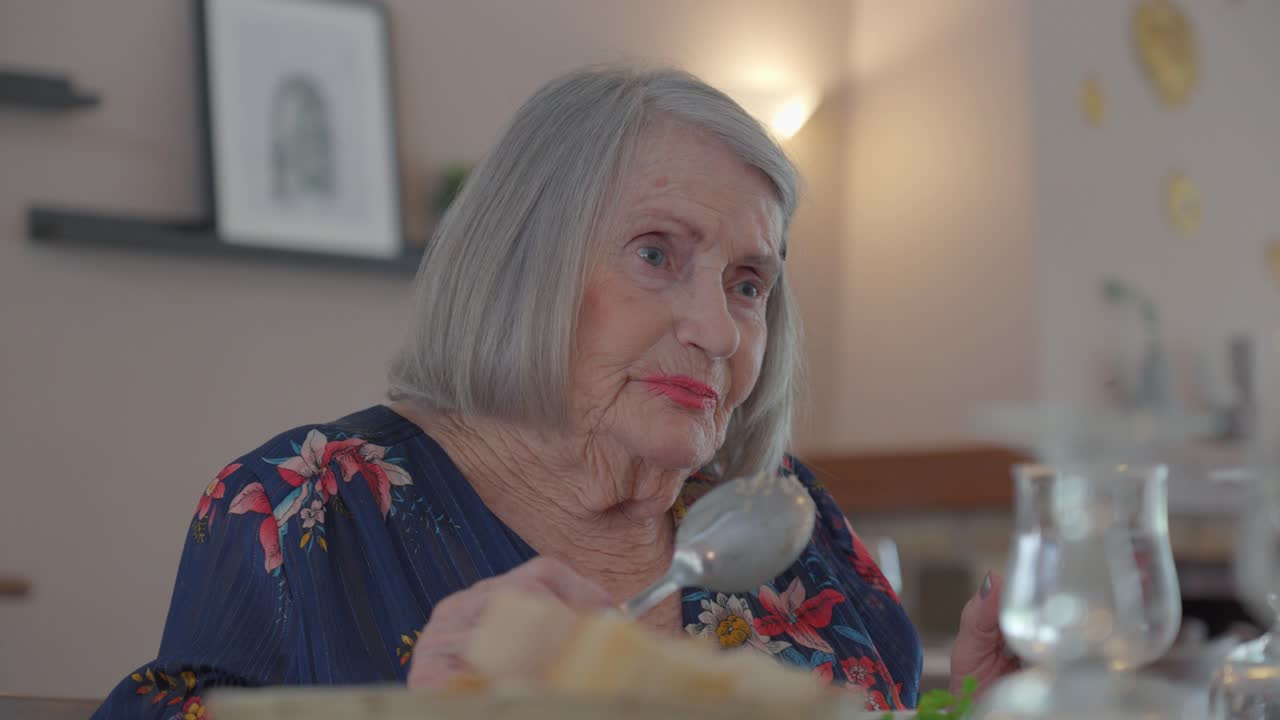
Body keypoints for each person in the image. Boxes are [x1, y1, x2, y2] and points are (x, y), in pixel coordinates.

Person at [93, 65, 1016, 718]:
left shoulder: (780, 515)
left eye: (748, 283)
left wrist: (981, 707)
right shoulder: (305, 508)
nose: (719, 329)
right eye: (655, 254)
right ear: (521, 266)